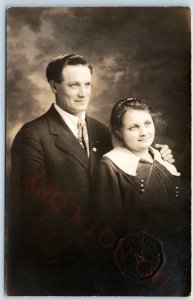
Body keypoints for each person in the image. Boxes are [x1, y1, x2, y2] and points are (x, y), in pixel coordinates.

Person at [6, 55, 174, 296]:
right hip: (56, 265)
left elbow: (126, 166)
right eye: (74, 85)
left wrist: (157, 155)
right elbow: (34, 211)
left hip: (104, 260)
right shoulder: (33, 135)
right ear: (54, 86)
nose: (83, 93)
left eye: (87, 84)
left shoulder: (100, 131)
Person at [92, 97, 185, 296]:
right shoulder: (111, 165)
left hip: (176, 261)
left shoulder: (162, 160)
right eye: (133, 127)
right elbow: (108, 228)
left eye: (147, 123)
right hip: (140, 268)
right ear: (119, 132)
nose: (143, 132)